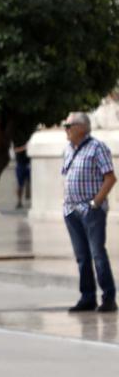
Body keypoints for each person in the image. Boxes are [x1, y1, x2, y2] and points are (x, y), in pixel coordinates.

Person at [61, 111, 116, 312]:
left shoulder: (97, 148)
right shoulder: (68, 149)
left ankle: (109, 297)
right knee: (81, 256)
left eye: (68, 126)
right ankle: (87, 297)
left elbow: (110, 178)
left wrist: (95, 203)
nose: (65, 130)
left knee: (97, 254)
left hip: (90, 210)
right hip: (71, 210)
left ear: (81, 128)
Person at [13, 139, 31, 209]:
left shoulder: (29, 138)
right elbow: (15, 150)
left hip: (29, 164)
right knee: (20, 185)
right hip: (20, 164)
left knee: (32, 183)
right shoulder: (17, 140)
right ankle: (19, 201)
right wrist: (25, 147)